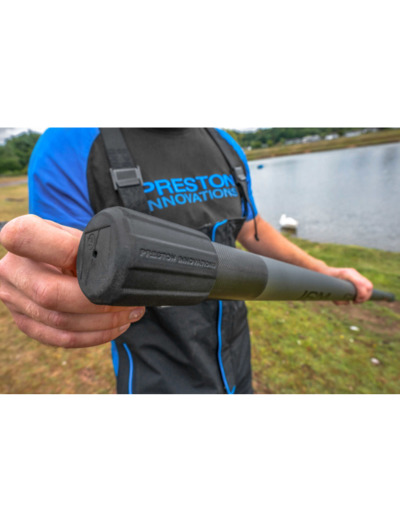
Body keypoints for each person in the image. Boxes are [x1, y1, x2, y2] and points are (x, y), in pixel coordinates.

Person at [0, 128, 373, 394]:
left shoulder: (224, 143)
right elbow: (58, 257)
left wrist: (323, 271)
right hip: (155, 377)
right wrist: (33, 281)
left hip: (237, 361)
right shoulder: (69, 143)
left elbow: (251, 226)